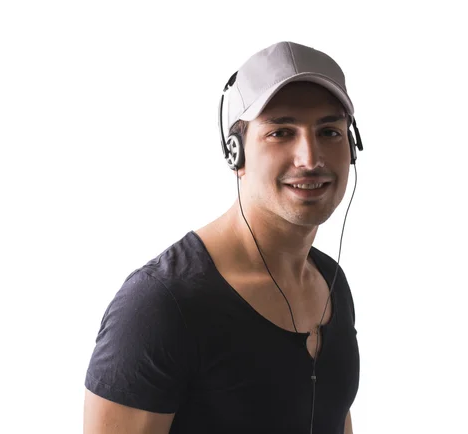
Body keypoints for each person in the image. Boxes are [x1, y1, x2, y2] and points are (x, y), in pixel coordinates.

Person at [83, 41, 363, 434]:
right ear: (236, 154)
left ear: (351, 147)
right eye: (281, 131)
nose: (310, 158)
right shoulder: (161, 306)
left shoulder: (330, 283)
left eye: (329, 131)